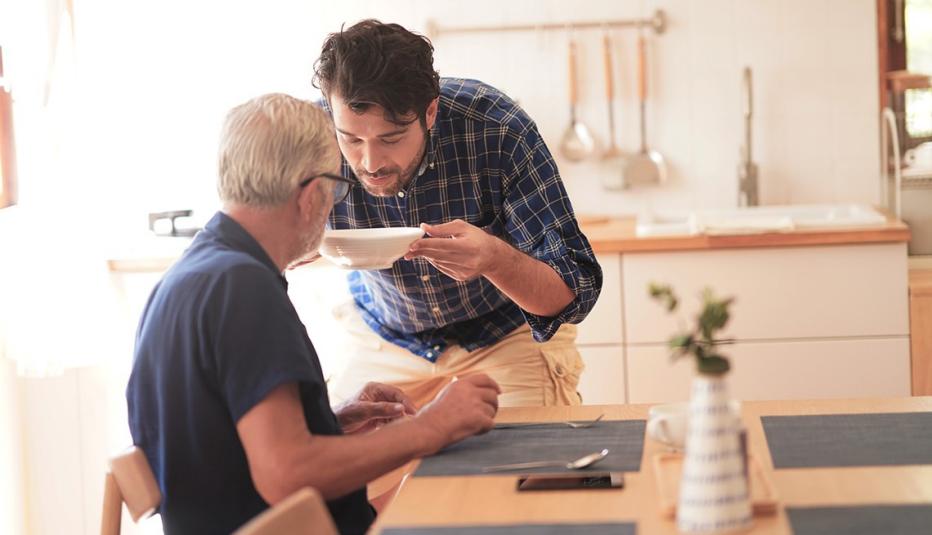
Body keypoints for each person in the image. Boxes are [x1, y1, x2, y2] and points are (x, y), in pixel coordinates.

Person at [126, 93, 500, 535]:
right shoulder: (242, 289)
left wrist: (328, 421)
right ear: (309, 196)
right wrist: (433, 427)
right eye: (335, 188)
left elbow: (220, 450)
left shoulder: (193, 274)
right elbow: (287, 474)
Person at [312, 20, 603, 409]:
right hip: (383, 334)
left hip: (504, 334)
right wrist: (288, 244)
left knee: (537, 464)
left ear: (429, 112)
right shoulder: (309, 137)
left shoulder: (498, 130)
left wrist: (496, 259)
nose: (369, 161)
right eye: (350, 138)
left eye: (391, 139)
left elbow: (574, 292)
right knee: (340, 463)